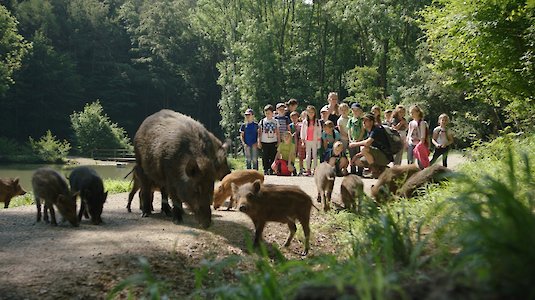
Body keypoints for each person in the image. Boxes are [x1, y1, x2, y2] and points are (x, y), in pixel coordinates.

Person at [349, 113, 392, 178]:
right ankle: (383, 169)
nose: (364, 123)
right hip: (378, 155)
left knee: (363, 148)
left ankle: (375, 171)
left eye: (366, 121)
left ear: (371, 122)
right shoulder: (369, 131)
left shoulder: (376, 130)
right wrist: (357, 156)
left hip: (385, 156)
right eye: (363, 121)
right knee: (358, 161)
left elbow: (367, 143)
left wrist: (354, 144)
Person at [300, 105, 322, 176]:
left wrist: (319, 141)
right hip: (307, 140)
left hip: (315, 140)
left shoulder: (317, 122)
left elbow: (319, 131)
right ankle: (308, 169)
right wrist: (303, 141)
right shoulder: (305, 122)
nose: (311, 114)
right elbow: (302, 132)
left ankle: (315, 169)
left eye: (312, 112)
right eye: (309, 112)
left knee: (315, 155)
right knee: (308, 155)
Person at [258, 104, 280, 175]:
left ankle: (271, 169)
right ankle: (265, 169)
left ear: (272, 113)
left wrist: (279, 141)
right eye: (266, 113)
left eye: (269, 113)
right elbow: (260, 132)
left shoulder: (275, 121)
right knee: (265, 156)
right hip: (265, 141)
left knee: (273, 156)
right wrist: (259, 141)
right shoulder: (262, 121)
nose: (267, 115)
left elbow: (278, 132)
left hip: (273, 141)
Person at [347, 102, 365, 175]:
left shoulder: (361, 120)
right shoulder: (351, 120)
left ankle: (360, 170)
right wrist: (350, 139)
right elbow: (349, 130)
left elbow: (362, 131)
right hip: (352, 141)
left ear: (360, 111)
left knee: (359, 155)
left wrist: (359, 140)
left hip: (359, 141)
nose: (355, 112)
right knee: (352, 155)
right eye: (354, 110)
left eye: (357, 110)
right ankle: (353, 170)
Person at [289, 111, 306, 175]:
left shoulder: (301, 125)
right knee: (293, 156)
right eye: (292, 118)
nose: (294, 119)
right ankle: (293, 169)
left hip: (299, 142)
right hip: (292, 142)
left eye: (295, 117)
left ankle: (302, 168)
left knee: (300, 156)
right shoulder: (290, 126)